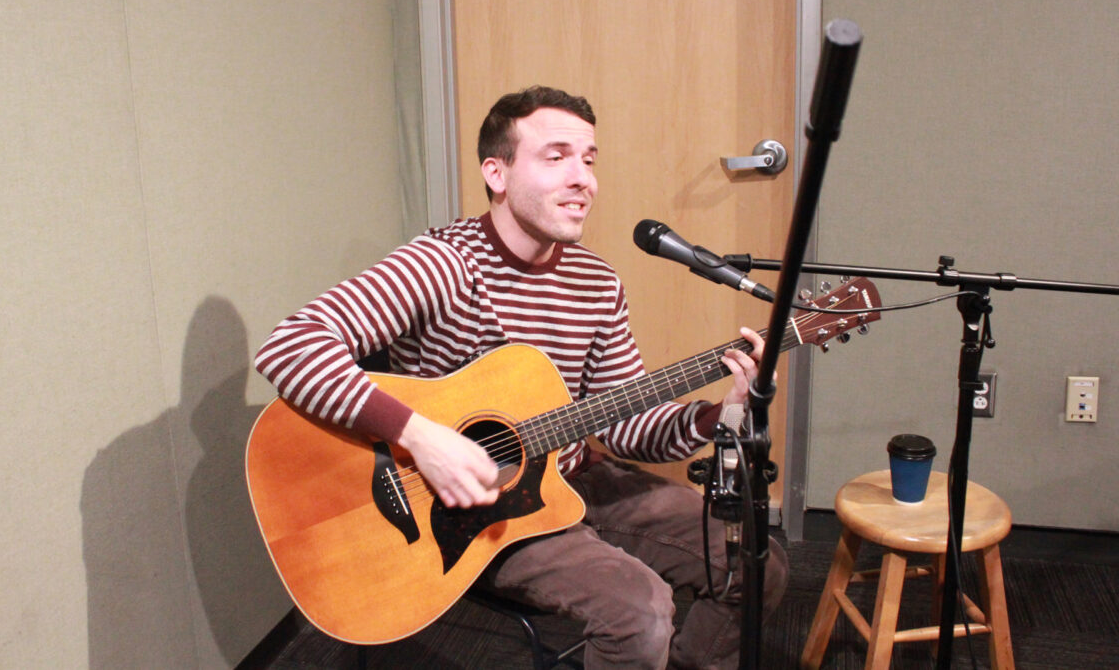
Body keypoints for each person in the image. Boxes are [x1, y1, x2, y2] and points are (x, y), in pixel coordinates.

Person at [255, 85, 787, 669]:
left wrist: (723, 410)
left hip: (571, 478)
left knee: (756, 558)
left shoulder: (597, 283)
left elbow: (627, 426)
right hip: (466, 508)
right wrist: (423, 438)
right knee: (638, 611)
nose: (583, 178)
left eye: (588, 160)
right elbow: (291, 346)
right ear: (498, 173)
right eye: (555, 156)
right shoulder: (443, 263)